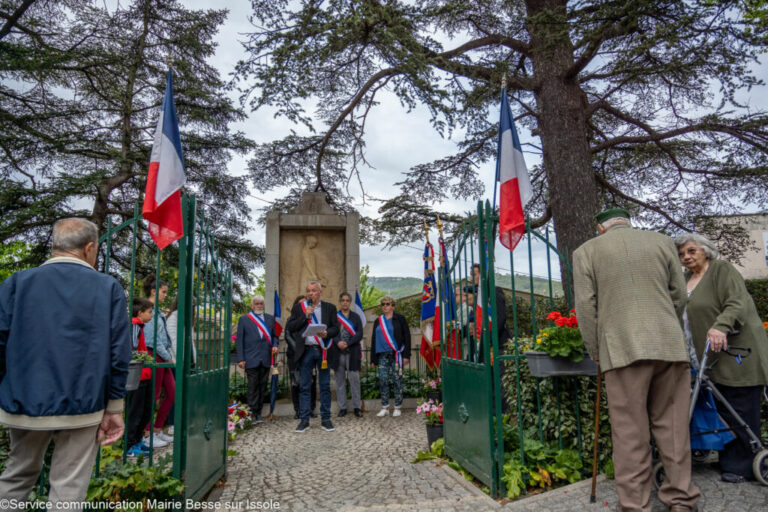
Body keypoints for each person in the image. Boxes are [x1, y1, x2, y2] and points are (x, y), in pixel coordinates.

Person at [574, 208, 700, 512]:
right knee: (673, 428)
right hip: (669, 345)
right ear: (627, 222)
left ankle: (636, 505)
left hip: (622, 349)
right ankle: (681, 500)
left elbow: (585, 309)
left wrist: (597, 351)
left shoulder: (586, 251)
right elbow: (679, 295)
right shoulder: (661, 242)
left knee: (630, 433)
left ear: (600, 227)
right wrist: (666, 323)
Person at [0, 218, 131, 503]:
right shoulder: (107, 287)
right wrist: (115, 406)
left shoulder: (16, 283)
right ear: (89, 248)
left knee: (16, 476)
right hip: (83, 402)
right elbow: (119, 352)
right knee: (69, 486)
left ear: (54, 246)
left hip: (23, 400)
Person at [675, 233, 768, 483]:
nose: (686, 257)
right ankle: (729, 458)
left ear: (706, 250)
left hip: (736, 350)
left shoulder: (721, 269)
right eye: (682, 254)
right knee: (721, 406)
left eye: (692, 251)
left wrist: (721, 325)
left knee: (739, 403)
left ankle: (743, 466)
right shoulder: (686, 279)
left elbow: (736, 301)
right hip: (707, 354)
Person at [286, 281, 340, 433]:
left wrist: (327, 333)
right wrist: (305, 316)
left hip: (323, 350)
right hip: (306, 351)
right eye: (308, 291)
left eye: (313, 291)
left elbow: (336, 328)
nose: (310, 293)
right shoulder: (299, 308)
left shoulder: (330, 308)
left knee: (324, 386)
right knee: (304, 386)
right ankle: (304, 420)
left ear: (320, 293)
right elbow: (291, 327)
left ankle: (326, 419)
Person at [141, 275, 174, 448]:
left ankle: (157, 429)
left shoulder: (157, 310)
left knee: (172, 391)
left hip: (162, 354)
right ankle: (147, 433)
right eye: (163, 292)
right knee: (153, 395)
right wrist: (168, 356)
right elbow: (152, 339)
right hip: (154, 355)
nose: (165, 295)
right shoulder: (149, 310)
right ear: (154, 291)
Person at [235, 295, 279, 423]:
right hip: (250, 358)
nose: (259, 306)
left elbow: (274, 336)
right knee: (253, 387)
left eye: (261, 304)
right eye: (257, 303)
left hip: (265, 358)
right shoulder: (244, 319)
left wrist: (275, 345)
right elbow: (239, 340)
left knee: (263, 386)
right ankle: (253, 413)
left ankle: (259, 412)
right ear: (252, 306)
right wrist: (241, 358)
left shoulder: (270, 319)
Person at [370, 295, 410, 417]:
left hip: (396, 354)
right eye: (383, 304)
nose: (385, 306)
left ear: (393, 306)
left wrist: (406, 355)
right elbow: (373, 339)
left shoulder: (400, 319)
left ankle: (397, 407)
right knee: (383, 380)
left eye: (387, 304)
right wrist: (373, 358)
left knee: (397, 380)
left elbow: (407, 337)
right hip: (382, 355)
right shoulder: (378, 320)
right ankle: (385, 407)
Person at [126, 297, 155, 458]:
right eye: (149, 312)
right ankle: (130, 445)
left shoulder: (140, 326)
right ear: (140, 312)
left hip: (144, 374)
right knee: (136, 412)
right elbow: (133, 349)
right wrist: (144, 358)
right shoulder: (135, 325)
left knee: (144, 411)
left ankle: (137, 441)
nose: (151, 315)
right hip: (138, 375)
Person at [329, 292, 364, 418]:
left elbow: (359, 333)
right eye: (343, 300)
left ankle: (356, 407)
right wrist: (338, 342)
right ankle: (342, 407)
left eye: (347, 300)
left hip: (352, 352)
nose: (345, 302)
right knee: (340, 382)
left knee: (354, 380)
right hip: (338, 353)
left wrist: (348, 343)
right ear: (340, 301)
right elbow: (331, 332)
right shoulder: (334, 317)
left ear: (350, 302)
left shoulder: (355, 317)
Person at [285, 295, 317, 420]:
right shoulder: (291, 320)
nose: (304, 306)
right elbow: (288, 336)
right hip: (295, 355)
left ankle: (310, 409)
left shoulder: (311, 319)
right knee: (296, 383)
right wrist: (299, 351)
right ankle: (298, 410)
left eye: (305, 303)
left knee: (311, 382)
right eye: (300, 304)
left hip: (309, 354)